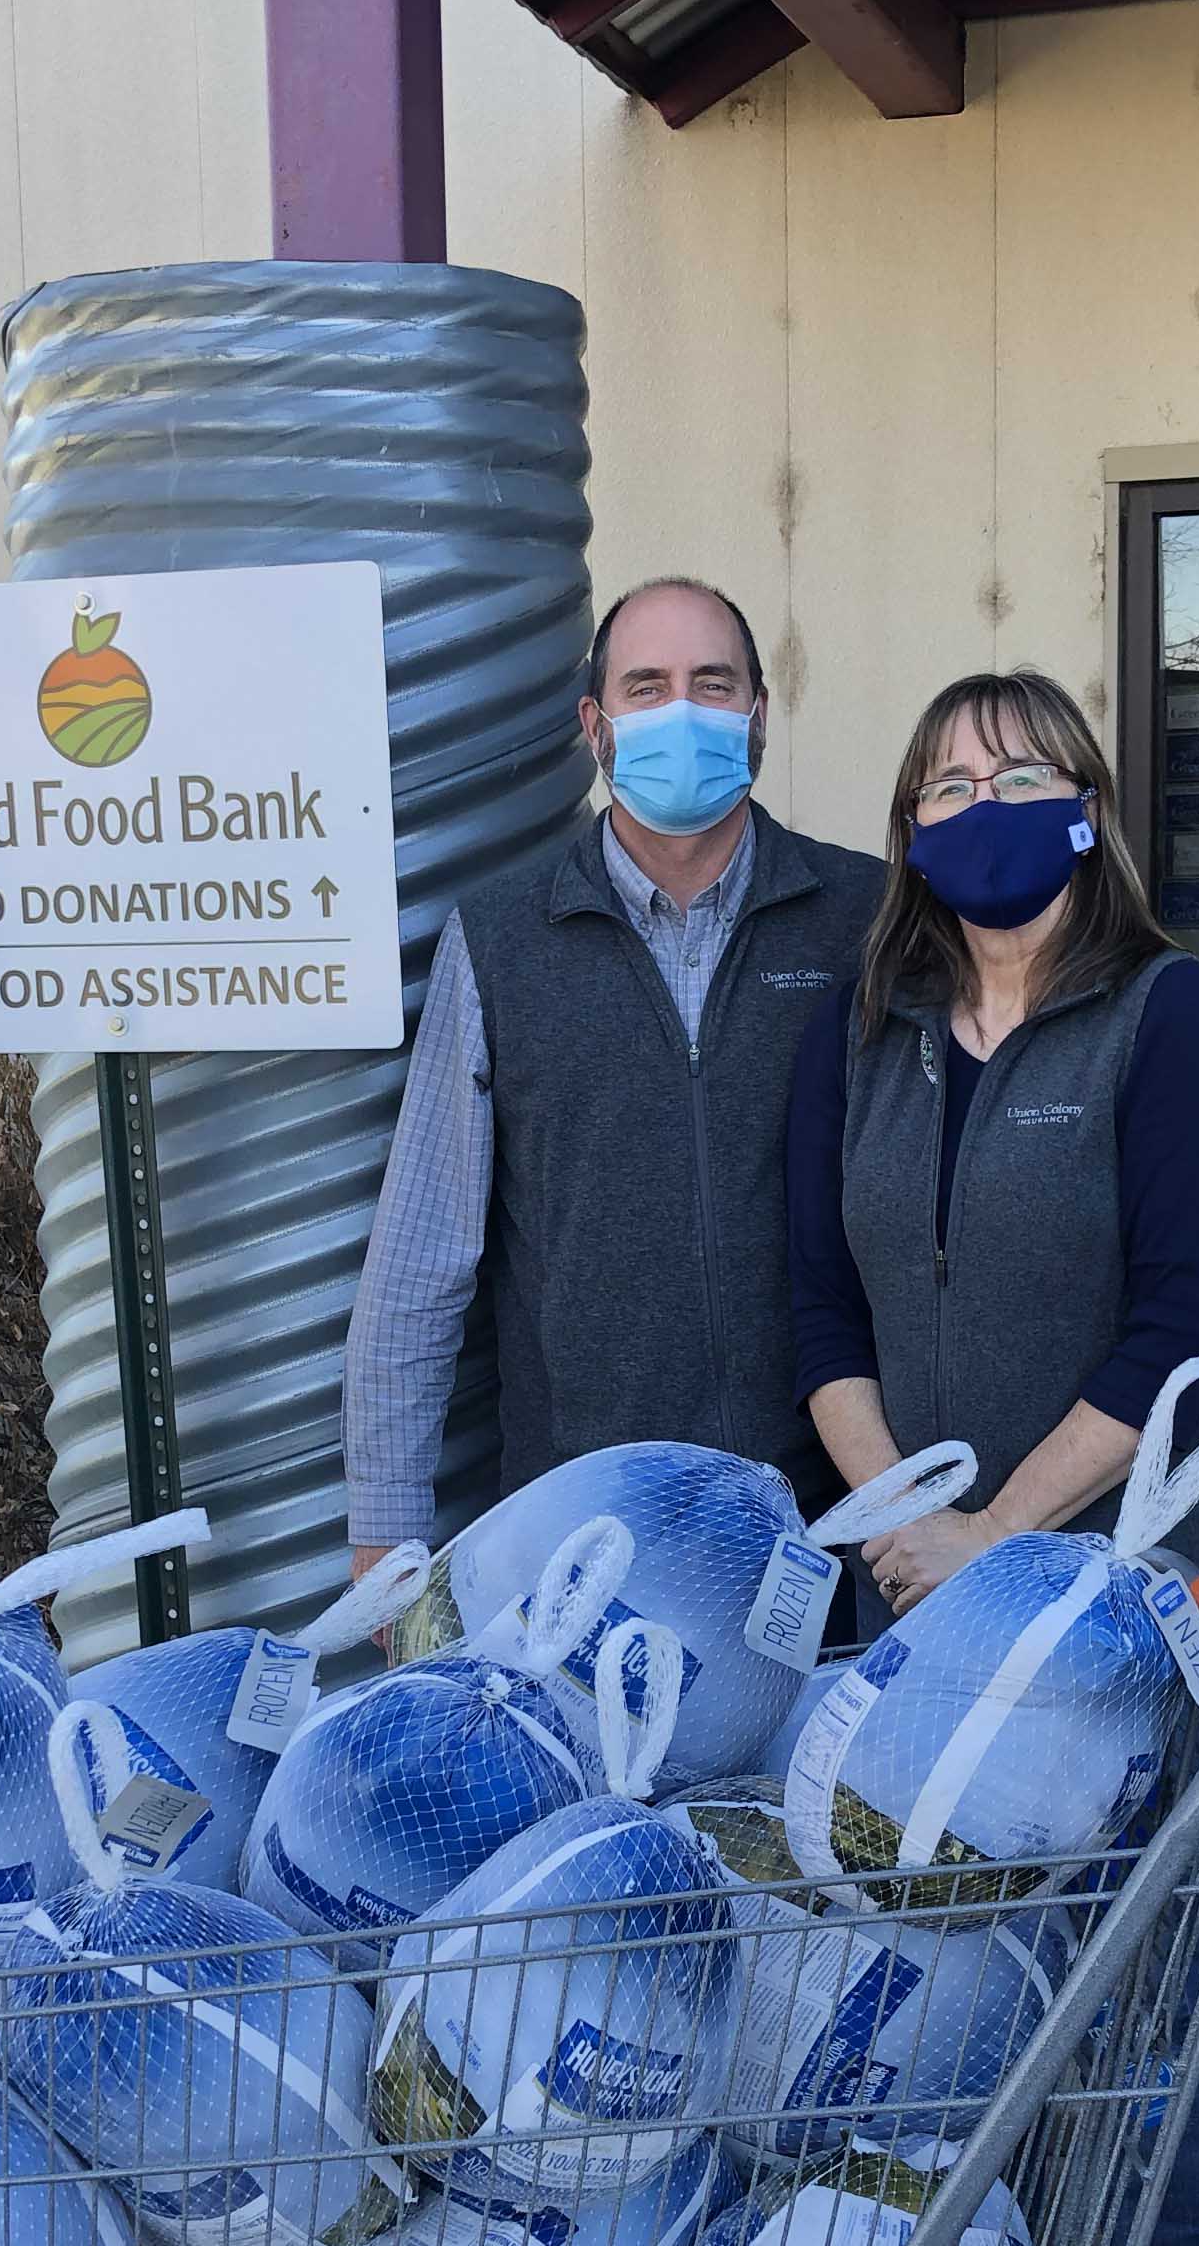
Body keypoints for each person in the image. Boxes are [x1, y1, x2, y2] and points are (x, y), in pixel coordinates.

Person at [783, 666, 1199, 2246]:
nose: (980, 801)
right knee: (940, 1981)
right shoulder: (868, 1026)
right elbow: (818, 1311)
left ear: (1085, 804)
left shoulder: (1164, 1023)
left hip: (1123, 1606)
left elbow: (1179, 1326)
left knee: (1134, 1996)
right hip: (913, 1596)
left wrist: (998, 1537)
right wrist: (902, 1526)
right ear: (905, 822)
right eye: (943, 778)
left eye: (1019, 771)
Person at [343, 578, 883, 1578]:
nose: (682, 711)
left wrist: (1169, 1017)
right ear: (597, 725)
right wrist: (385, 1536)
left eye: (711, 684)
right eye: (647, 686)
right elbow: (423, 1259)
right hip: (581, 1529)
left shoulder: (863, 917)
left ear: (759, 715)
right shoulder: (502, 941)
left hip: (826, 1523)